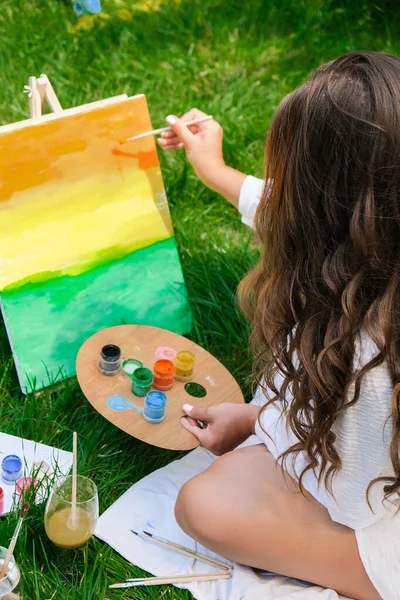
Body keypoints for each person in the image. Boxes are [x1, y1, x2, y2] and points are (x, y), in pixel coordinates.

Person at [157, 51, 400, 600]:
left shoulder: (370, 351)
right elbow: (271, 205)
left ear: (316, 209)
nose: (276, 191)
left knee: (203, 505)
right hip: (354, 455)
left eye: (289, 178)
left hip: (369, 503)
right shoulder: (372, 245)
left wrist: (267, 430)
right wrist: (214, 170)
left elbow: (352, 496)